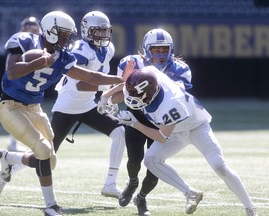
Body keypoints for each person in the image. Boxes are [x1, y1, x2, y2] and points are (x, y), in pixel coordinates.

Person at [0, 10, 132, 216]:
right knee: (43, 150)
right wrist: (38, 63)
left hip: (35, 108)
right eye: (64, 34)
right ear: (51, 31)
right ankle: (51, 206)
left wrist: (120, 80)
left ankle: (10, 159)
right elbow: (12, 72)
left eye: (68, 34)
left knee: (50, 160)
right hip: (12, 106)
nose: (68, 39)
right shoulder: (25, 41)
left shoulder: (63, 56)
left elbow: (91, 77)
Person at [116, 66, 258, 216]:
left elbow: (162, 137)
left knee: (219, 166)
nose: (131, 98)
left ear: (149, 95)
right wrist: (106, 96)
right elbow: (129, 85)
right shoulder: (151, 74)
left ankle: (250, 207)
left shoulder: (171, 103)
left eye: (137, 97)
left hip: (196, 128)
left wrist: (134, 124)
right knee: (151, 159)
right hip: (176, 131)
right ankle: (190, 192)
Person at [98, 28, 193, 216]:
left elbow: (181, 99)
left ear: (171, 50)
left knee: (154, 165)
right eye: (156, 50)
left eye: (164, 49)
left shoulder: (179, 68)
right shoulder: (132, 62)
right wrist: (115, 91)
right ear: (146, 49)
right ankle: (132, 182)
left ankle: (141, 198)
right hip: (136, 115)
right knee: (134, 159)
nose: (161, 54)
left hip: (160, 119)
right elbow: (119, 97)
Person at [50, 11, 125, 198]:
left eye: (105, 31)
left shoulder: (108, 49)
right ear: (86, 31)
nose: (102, 35)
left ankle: (110, 183)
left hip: (88, 106)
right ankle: (11, 160)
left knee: (120, 133)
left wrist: (107, 95)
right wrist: (113, 85)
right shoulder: (80, 49)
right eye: (97, 31)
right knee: (45, 155)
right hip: (66, 107)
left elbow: (96, 82)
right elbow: (83, 84)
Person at [0, 16, 40, 152]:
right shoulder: (20, 41)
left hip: (25, 81)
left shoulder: (35, 42)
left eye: (34, 28)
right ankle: (13, 144)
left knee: (20, 113)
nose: (32, 31)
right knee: (19, 111)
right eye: (29, 28)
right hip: (18, 81)